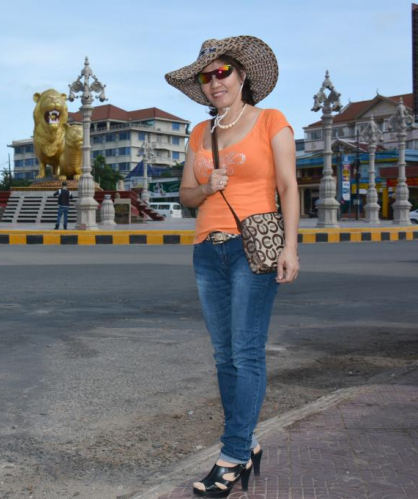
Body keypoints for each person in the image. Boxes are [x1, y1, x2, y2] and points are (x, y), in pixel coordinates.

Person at [165, 36, 300, 497]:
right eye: (206, 76)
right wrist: (207, 186)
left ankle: (233, 454)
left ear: (242, 75)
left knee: (246, 353)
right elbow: (186, 196)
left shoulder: (270, 121)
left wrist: (291, 247)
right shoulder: (200, 135)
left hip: (253, 248)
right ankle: (247, 443)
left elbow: (288, 187)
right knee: (224, 357)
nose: (214, 82)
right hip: (208, 248)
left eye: (222, 72)